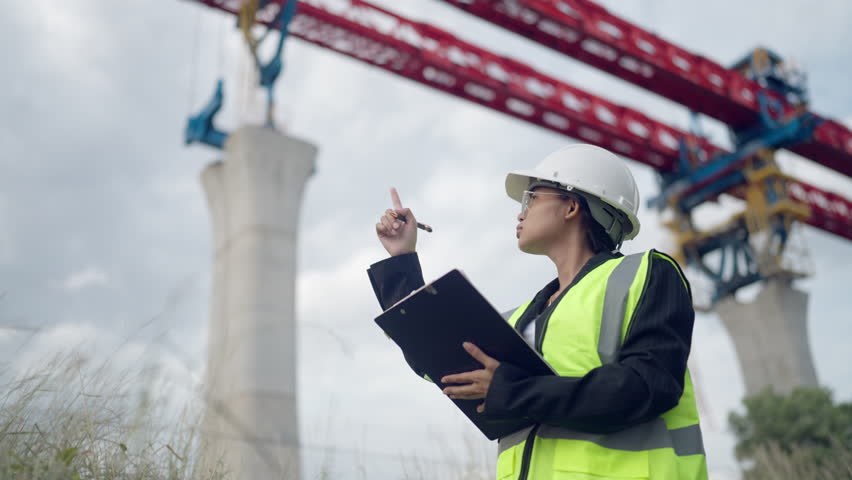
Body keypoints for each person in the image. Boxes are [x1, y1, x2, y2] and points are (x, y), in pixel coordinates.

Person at [367, 144, 708, 480]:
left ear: (572, 206)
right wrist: (402, 261)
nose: (520, 212)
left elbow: (648, 385)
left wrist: (513, 392)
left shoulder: (646, 272)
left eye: (532, 198)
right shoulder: (521, 320)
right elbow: (433, 354)